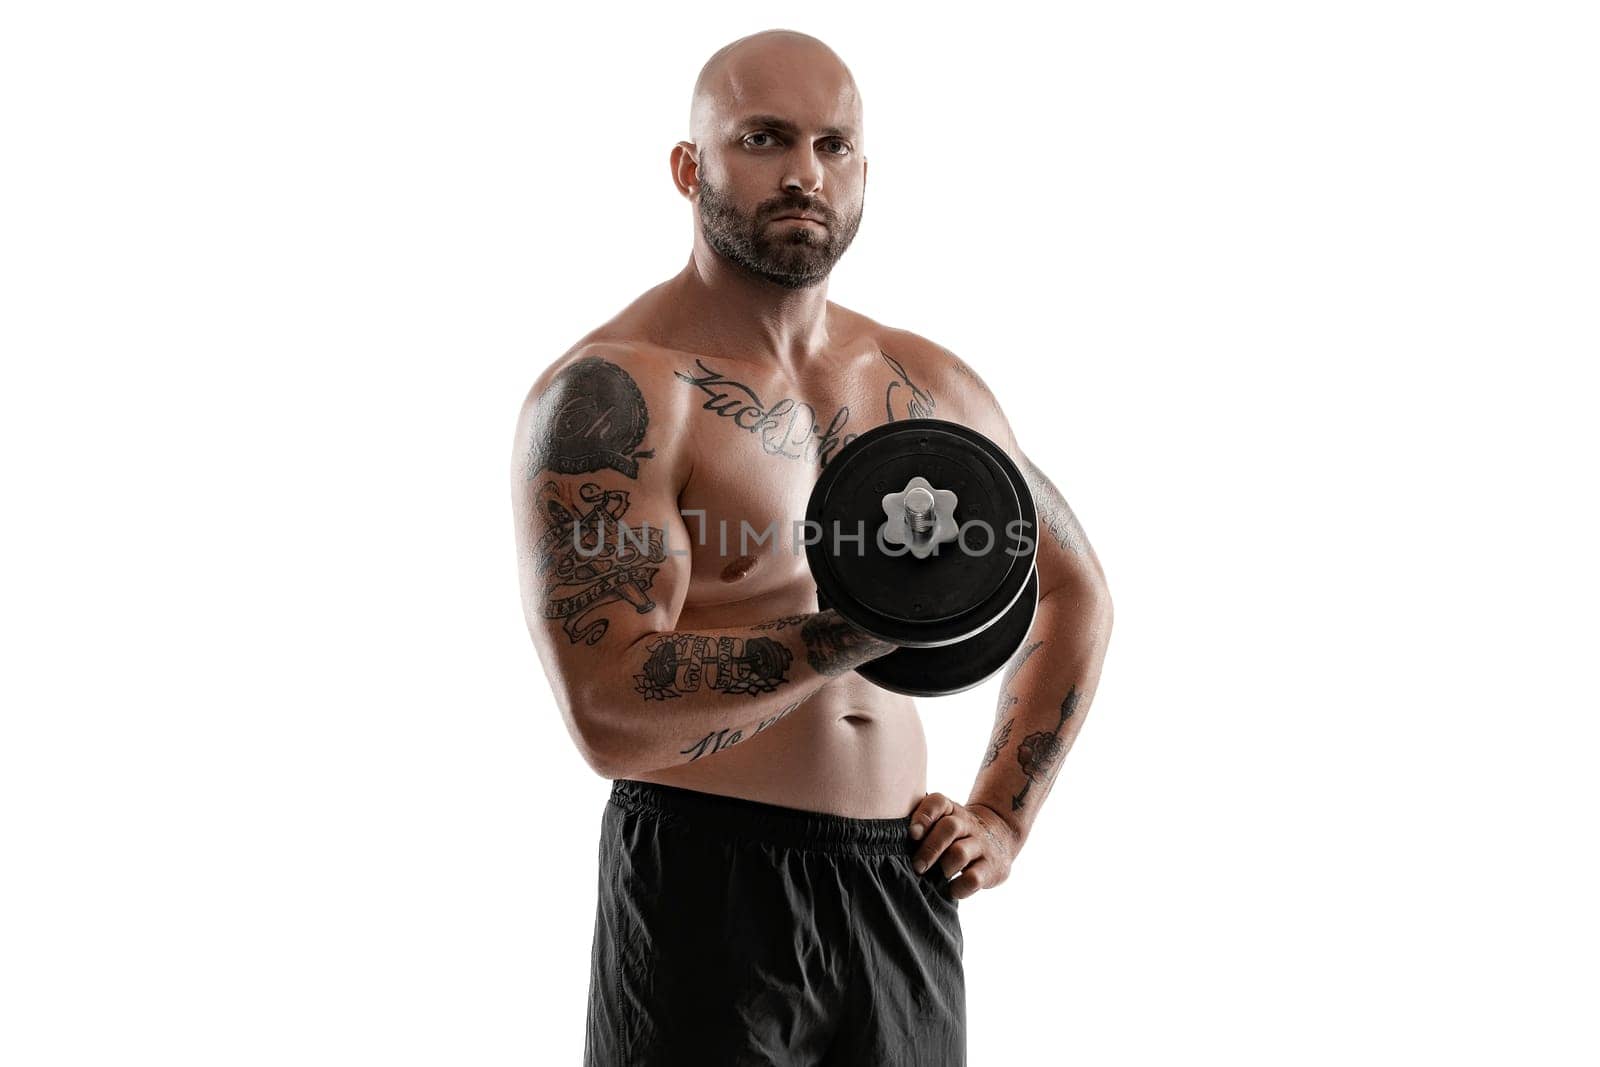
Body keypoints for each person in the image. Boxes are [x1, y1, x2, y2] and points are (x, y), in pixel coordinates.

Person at [510, 28, 1113, 1066]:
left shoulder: (925, 384)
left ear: (864, 172)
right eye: (763, 137)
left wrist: (1002, 816)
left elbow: (1071, 587)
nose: (802, 172)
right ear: (688, 167)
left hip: (899, 881)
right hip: (706, 880)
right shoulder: (623, 393)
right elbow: (607, 712)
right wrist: (858, 625)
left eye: (834, 145)